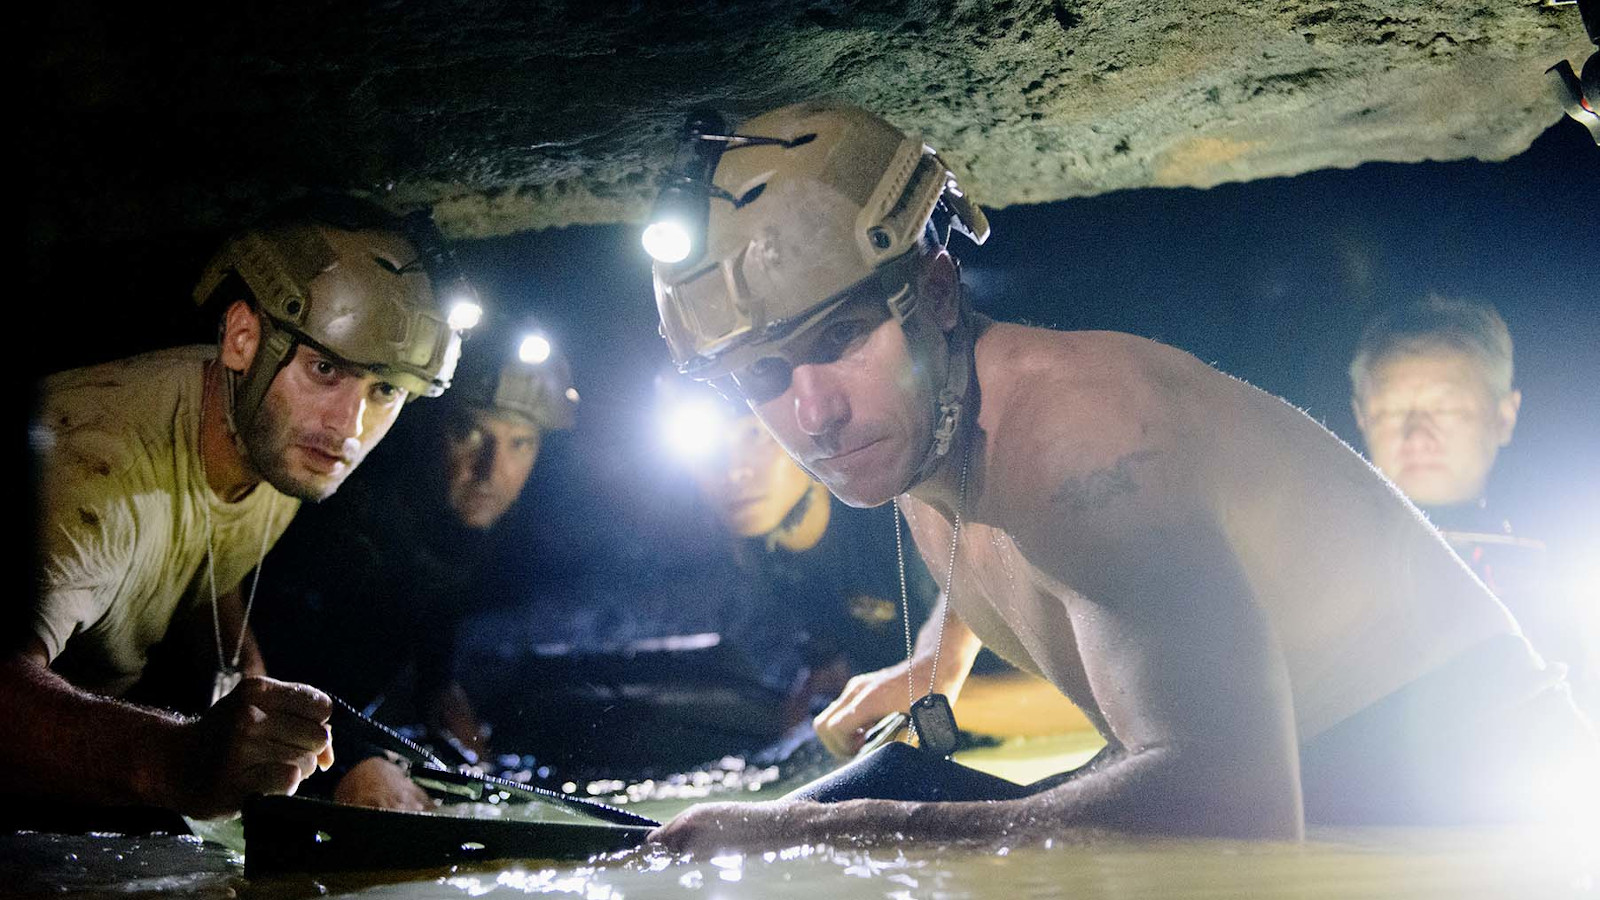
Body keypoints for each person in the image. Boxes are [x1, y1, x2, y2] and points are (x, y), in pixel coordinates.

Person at [640, 101, 1598, 850]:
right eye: (762, 376)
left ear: (935, 292)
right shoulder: (923, 425)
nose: (813, 413)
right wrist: (939, 658)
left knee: (838, 839)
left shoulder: (1083, 440)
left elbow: (1233, 808)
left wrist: (814, 833)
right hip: (1321, 784)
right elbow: (995, 523)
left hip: (1461, 798)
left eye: (840, 339)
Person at [2, 198, 468, 826]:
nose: (349, 426)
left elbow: (201, 553)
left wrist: (261, 696)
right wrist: (176, 760)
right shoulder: (94, 475)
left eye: (383, 389)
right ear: (244, 337)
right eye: (325, 368)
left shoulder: (275, 437)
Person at [251, 317, 577, 811]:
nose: (492, 469)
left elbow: (432, 654)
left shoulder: (474, 536)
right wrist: (354, 764)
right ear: (431, 429)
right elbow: (271, 673)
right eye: (471, 433)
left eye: (520, 443)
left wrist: (446, 708)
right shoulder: (347, 521)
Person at [1350, 296, 1597, 714]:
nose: (1417, 436)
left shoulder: (1564, 565)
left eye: (1445, 409)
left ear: (1503, 416)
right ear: (1360, 415)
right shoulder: (1317, 557)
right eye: (1391, 411)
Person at [657, 372, 939, 729]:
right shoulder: (762, 555)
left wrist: (895, 705)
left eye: (754, 435)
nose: (733, 471)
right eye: (705, 447)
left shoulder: (906, 522)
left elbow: (1025, 675)